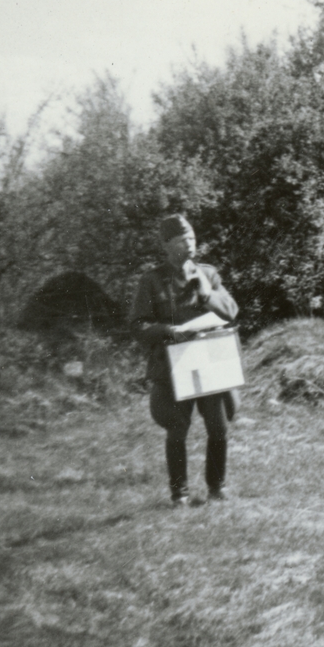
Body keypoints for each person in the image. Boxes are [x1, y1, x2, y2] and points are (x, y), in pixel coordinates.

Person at [129, 214, 239, 507]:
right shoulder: (152, 280)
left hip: (209, 359)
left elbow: (230, 310)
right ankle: (180, 494)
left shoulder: (208, 274)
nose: (189, 245)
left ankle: (217, 488)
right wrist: (168, 330)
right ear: (166, 245)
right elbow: (137, 326)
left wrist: (206, 293)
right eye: (181, 241)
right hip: (172, 363)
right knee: (177, 429)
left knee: (218, 426)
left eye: (191, 238)